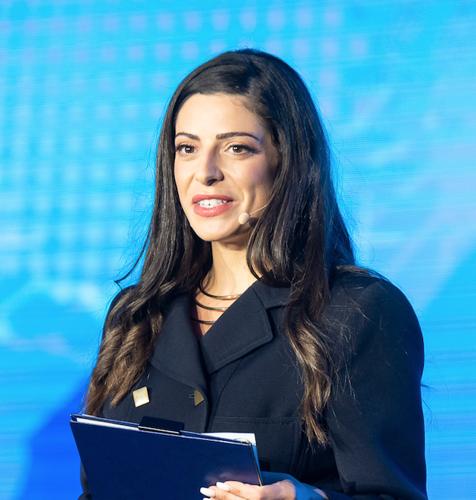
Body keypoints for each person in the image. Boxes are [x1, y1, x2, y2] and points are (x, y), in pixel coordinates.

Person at [79, 48, 427, 499]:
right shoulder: (136, 316)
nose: (205, 172)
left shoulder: (356, 312)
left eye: (237, 148)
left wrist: (301, 498)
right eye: (187, 148)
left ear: (287, 159)